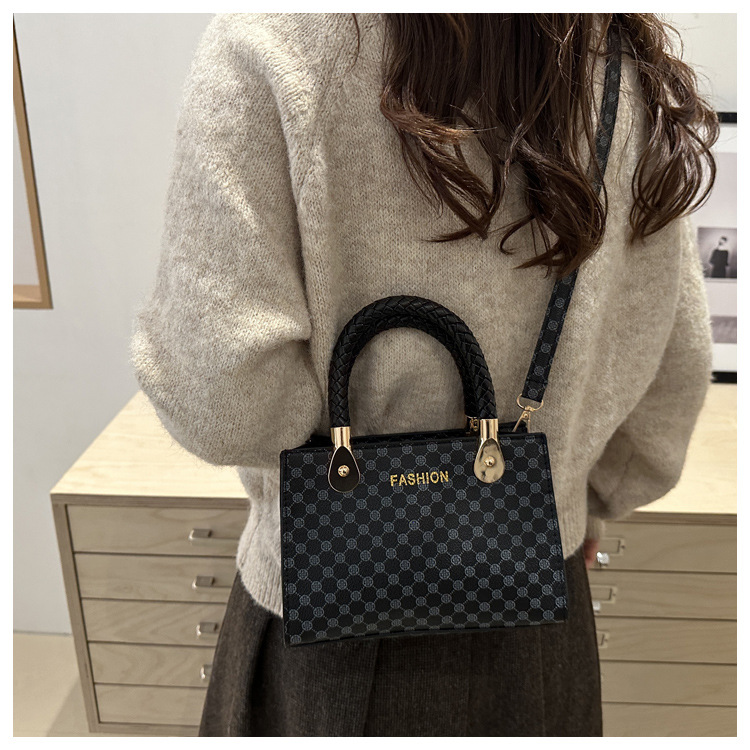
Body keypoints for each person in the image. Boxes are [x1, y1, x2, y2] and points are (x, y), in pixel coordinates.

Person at [129, 13, 718, 737]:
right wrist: (571, 497)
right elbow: (670, 386)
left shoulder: (272, 41)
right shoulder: (617, 62)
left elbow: (222, 398)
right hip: (535, 602)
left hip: (325, 610)